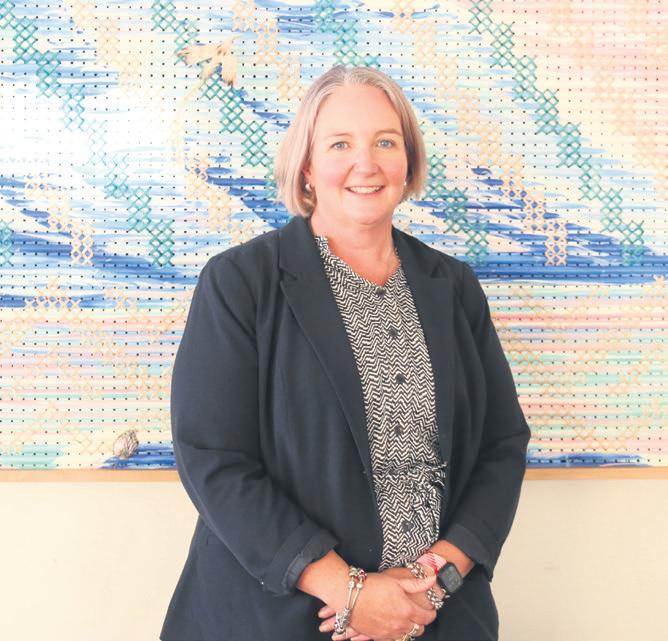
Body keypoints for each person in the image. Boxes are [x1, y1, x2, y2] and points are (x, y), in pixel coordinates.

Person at [160, 65, 531, 641]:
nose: (367, 163)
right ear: (307, 166)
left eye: (386, 142)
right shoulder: (239, 283)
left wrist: (434, 582)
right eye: (340, 144)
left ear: (408, 160)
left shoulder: (453, 286)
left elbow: (501, 444)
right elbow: (214, 459)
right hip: (281, 618)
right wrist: (350, 591)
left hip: (437, 616)